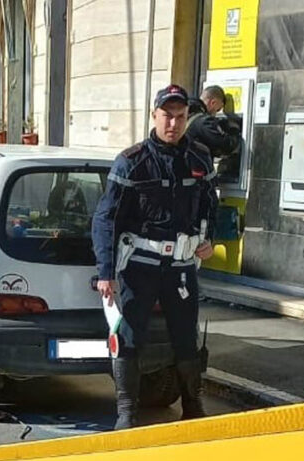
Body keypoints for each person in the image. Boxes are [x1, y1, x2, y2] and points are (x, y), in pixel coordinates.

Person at [92, 84, 218, 430]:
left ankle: (193, 409)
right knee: (129, 338)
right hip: (139, 267)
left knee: (185, 341)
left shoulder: (199, 159)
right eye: (167, 115)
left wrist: (209, 238)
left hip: (180, 268)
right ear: (154, 115)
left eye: (180, 117)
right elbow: (105, 218)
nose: (174, 124)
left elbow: (210, 204)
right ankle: (127, 414)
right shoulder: (132, 161)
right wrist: (106, 272)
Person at [185, 85, 242, 160]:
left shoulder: (186, 115)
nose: (216, 114)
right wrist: (233, 124)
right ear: (213, 103)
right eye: (218, 110)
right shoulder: (204, 122)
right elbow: (227, 146)